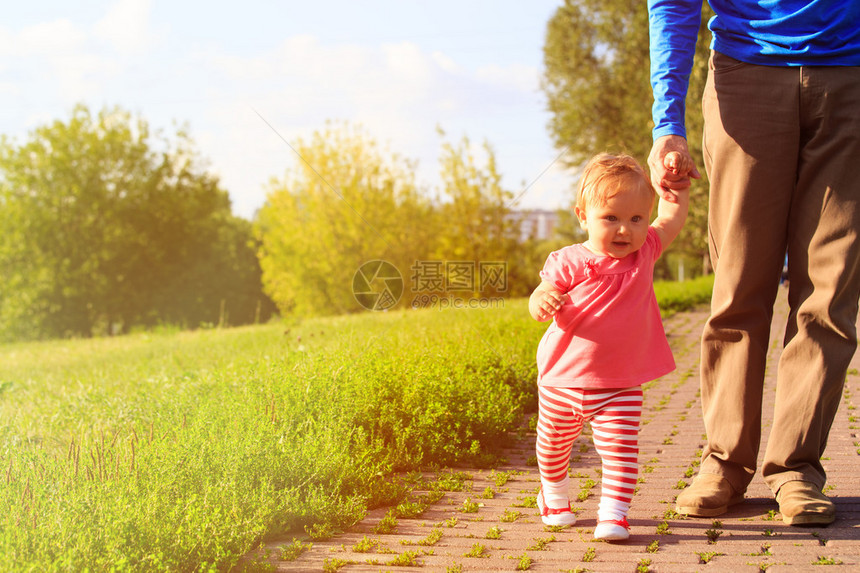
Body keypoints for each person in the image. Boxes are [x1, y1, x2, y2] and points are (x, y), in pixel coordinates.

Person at [647, 0, 860, 526]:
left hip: (852, 76)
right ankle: (724, 461)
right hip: (746, 75)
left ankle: (796, 467)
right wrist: (667, 121)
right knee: (739, 284)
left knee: (830, 292)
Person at [529, 152, 690, 541]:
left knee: (620, 451)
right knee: (552, 446)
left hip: (620, 383)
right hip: (562, 380)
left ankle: (614, 514)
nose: (625, 230)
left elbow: (670, 219)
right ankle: (553, 496)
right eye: (611, 219)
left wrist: (676, 188)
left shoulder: (646, 251)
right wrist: (542, 301)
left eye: (636, 219)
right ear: (583, 215)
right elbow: (541, 292)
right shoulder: (567, 260)